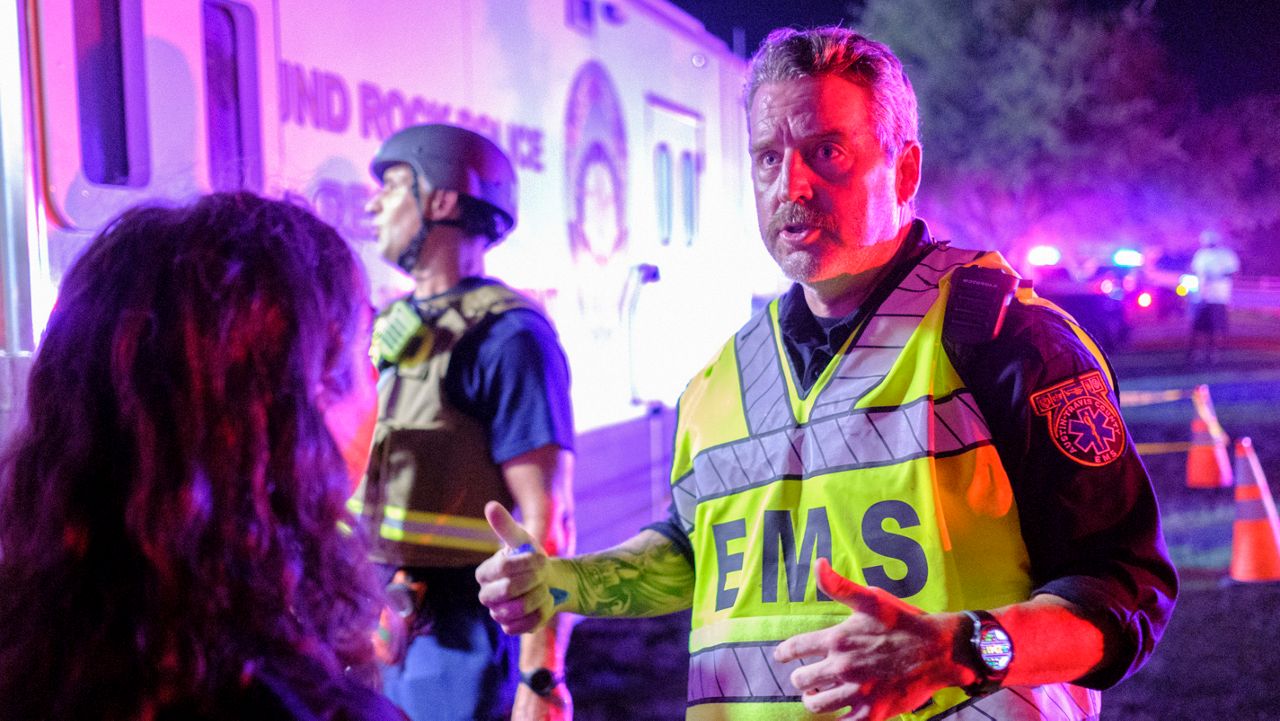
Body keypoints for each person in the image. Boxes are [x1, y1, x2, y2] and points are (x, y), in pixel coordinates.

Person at [475, 26, 1177, 721]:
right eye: (767, 158)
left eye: (827, 152)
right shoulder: (719, 380)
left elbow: (1125, 586)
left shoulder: (1008, 339)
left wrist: (966, 648)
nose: (793, 185)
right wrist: (570, 583)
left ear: (904, 170)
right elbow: (700, 552)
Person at [0, 193, 402, 721]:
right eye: (363, 349)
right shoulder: (300, 705)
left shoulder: (31, 636)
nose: (375, 383)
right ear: (290, 403)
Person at [353, 123, 576, 721]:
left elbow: (549, 521)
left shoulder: (510, 338)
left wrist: (541, 672)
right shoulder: (383, 329)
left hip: (467, 635)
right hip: (384, 622)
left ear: (443, 199)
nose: (373, 203)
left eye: (394, 185)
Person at [1188, 230, 1241, 364]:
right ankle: (1195, 354)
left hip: (1218, 297)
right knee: (1198, 327)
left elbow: (1234, 273)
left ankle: (1213, 354)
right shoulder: (1201, 255)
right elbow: (1195, 271)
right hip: (1201, 296)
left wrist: (1217, 277)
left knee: (1215, 327)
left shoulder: (1226, 255)